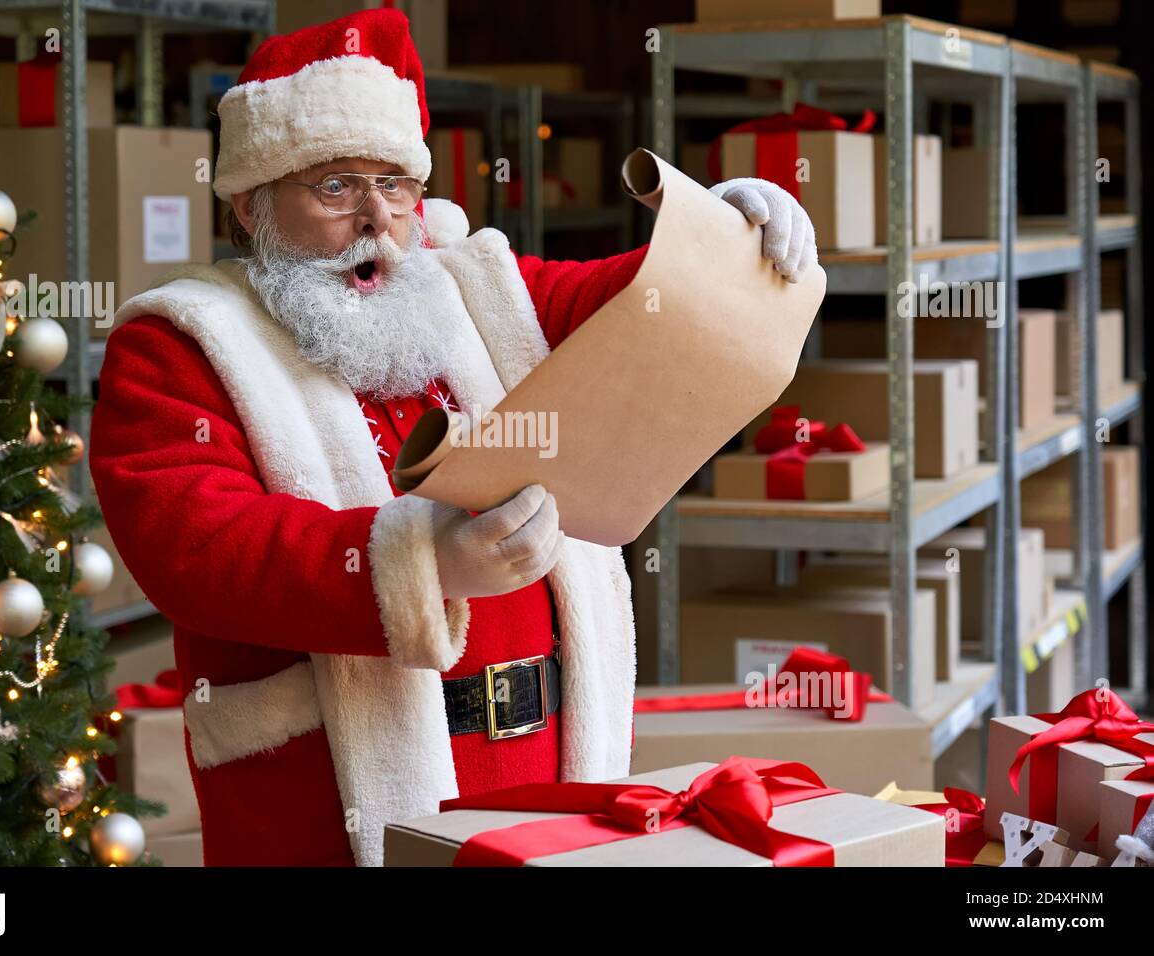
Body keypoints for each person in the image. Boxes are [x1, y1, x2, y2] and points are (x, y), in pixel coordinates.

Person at [88, 7, 817, 867]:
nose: (377, 217)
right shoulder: (182, 344)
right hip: (324, 805)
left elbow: (631, 305)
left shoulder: (474, 288)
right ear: (250, 207)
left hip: (543, 783)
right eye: (334, 187)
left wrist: (722, 233)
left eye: (396, 184)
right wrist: (421, 563)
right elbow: (201, 550)